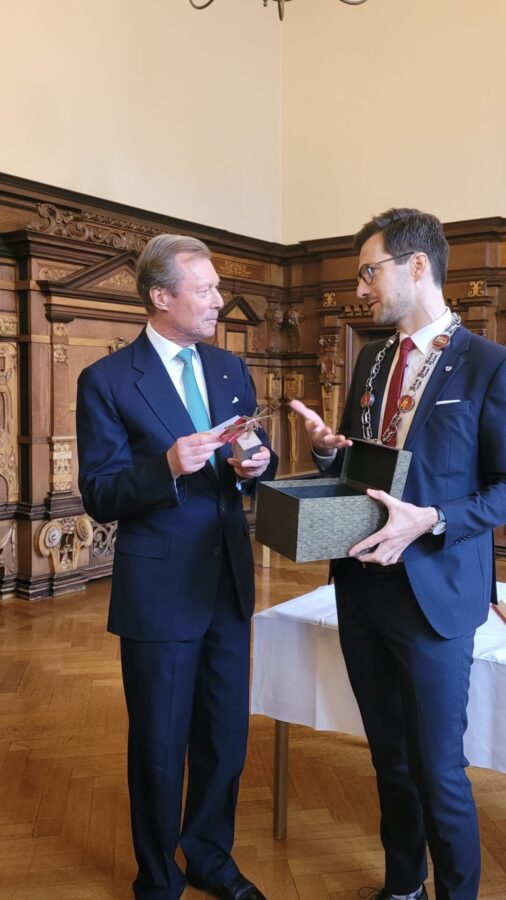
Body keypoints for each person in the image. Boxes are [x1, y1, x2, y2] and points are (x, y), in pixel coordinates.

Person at [290, 208, 506, 900]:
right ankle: (403, 883)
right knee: (388, 757)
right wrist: (333, 451)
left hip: (436, 596)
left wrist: (435, 519)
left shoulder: (489, 366)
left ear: (418, 266)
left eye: (368, 271)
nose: (360, 289)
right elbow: (369, 467)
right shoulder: (375, 360)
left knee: (439, 766)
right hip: (361, 588)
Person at [76, 234, 277, 900]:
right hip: (160, 590)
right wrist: (164, 466)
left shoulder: (228, 368)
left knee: (223, 738)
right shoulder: (106, 380)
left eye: (219, 287)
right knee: (161, 745)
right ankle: (158, 878)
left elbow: (253, 448)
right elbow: (102, 492)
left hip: (227, 581)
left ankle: (211, 858)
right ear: (161, 297)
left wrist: (257, 463)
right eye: (208, 289)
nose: (221, 299)